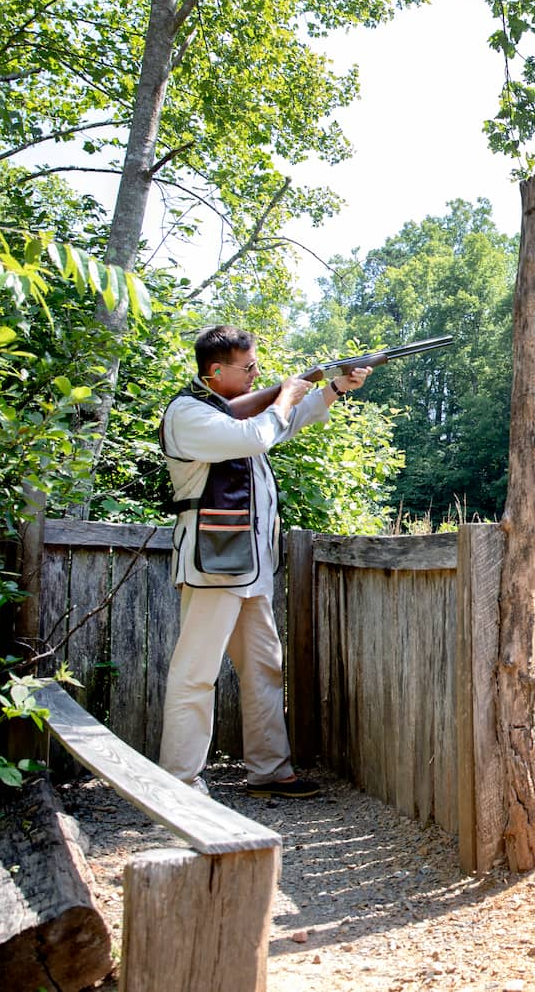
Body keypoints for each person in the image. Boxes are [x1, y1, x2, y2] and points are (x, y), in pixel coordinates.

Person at [157, 325, 371, 797]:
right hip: (213, 564)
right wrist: (284, 395)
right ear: (216, 372)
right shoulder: (188, 414)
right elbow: (258, 435)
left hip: (250, 567)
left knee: (264, 668)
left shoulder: (229, 415)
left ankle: (270, 772)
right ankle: (179, 784)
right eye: (248, 367)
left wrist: (332, 388)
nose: (257, 373)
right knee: (196, 674)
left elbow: (285, 424)